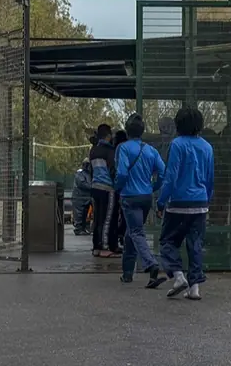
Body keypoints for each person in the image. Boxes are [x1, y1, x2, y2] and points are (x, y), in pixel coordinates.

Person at [156, 105, 214, 301]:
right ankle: (195, 288)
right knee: (195, 244)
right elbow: (209, 177)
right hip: (200, 202)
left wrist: (161, 201)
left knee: (168, 241)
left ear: (178, 124)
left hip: (178, 203)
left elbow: (171, 176)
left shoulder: (177, 144)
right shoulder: (207, 146)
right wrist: (207, 199)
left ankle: (179, 276)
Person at [115, 113, 167, 285]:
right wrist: (154, 187)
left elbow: (122, 173)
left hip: (129, 197)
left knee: (136, 232)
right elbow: (162, 172)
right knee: (131, 233)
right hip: (146, 197)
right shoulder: (150, 150)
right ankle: (127, 273)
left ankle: (151, 265)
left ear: (127, 131)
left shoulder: (123, 148)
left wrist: (118, 187)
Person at [88, 123, 121, 258]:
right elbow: (113, 171)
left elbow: (90, 170)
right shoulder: (110, 151)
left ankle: (96, 246)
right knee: (108, 218)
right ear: (108, 136)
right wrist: (117, 185)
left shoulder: (93, 150)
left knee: (98, 218)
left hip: (95, 187)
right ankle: (105, 247)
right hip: (108, 188)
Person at [71, 158, 92, 235]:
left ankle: (84, 227)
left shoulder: (89, 174)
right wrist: (93, 187)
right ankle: (79, 229)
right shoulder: (80, 173)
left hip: (86, 197)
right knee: (79, 214)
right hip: (79, 197)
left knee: (85, 213)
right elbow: (82, 184)